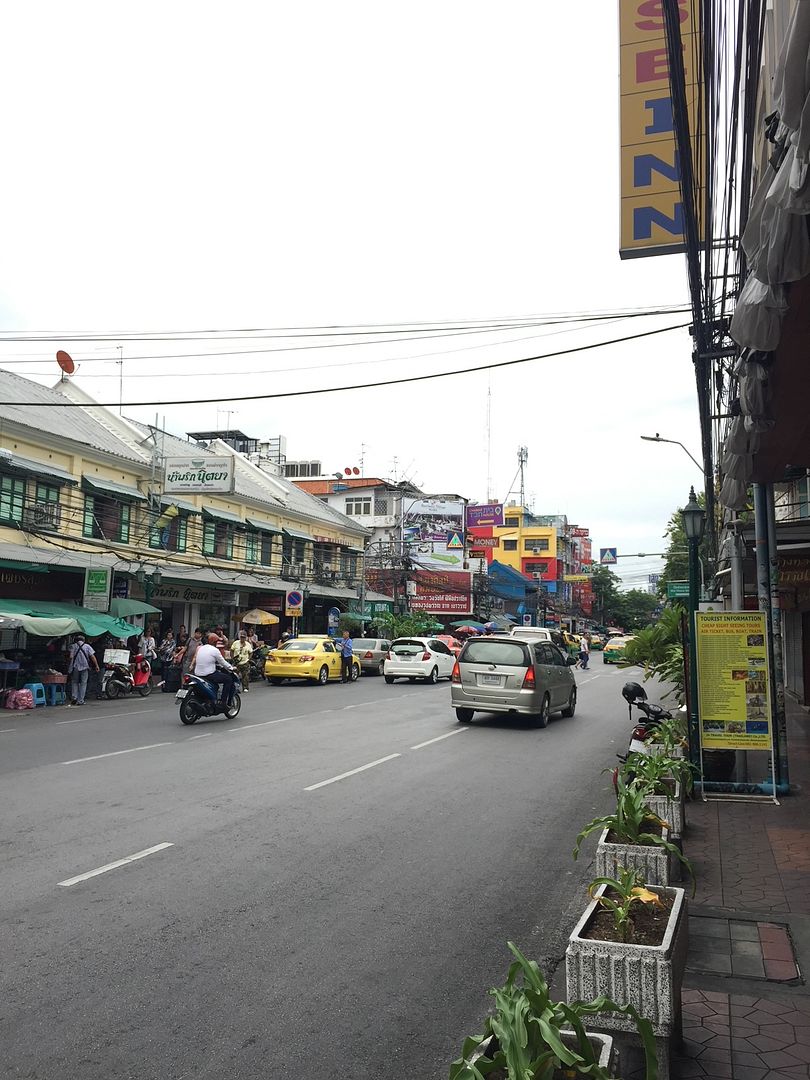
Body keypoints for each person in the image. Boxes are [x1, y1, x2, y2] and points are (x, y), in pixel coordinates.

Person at [192, 633, 238, 704]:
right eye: (216, 641)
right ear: (214, 642)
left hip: (197, 674)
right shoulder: (215, 650)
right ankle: (223, 702)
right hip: (208, 674)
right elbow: (223, 662)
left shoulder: (201, 648)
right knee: (228, 679)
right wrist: (231, 668)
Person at [68, 634, 99, 706]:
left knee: (74, 682)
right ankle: (81, 700)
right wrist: (96, 665)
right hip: (85, 667)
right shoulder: (87, 646)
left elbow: (70, 657)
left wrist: (69, 666)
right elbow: (92, 657)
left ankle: (74, 697)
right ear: (83, 640)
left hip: (75, 667)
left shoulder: (73, 646)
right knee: (83, 683)